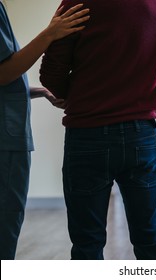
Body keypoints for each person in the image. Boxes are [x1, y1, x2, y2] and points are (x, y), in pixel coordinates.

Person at [40, 0, 156, 260]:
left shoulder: (77, 3)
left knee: (87, 245)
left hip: (86, 137)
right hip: (141, 138)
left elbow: (50, 74)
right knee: (149, 241)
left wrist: (73, 95)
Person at [0, 1, 89, 260]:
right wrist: (50, 33)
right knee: (5, 225)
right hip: (5, 141)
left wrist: (41, 91)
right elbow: (4, 73)